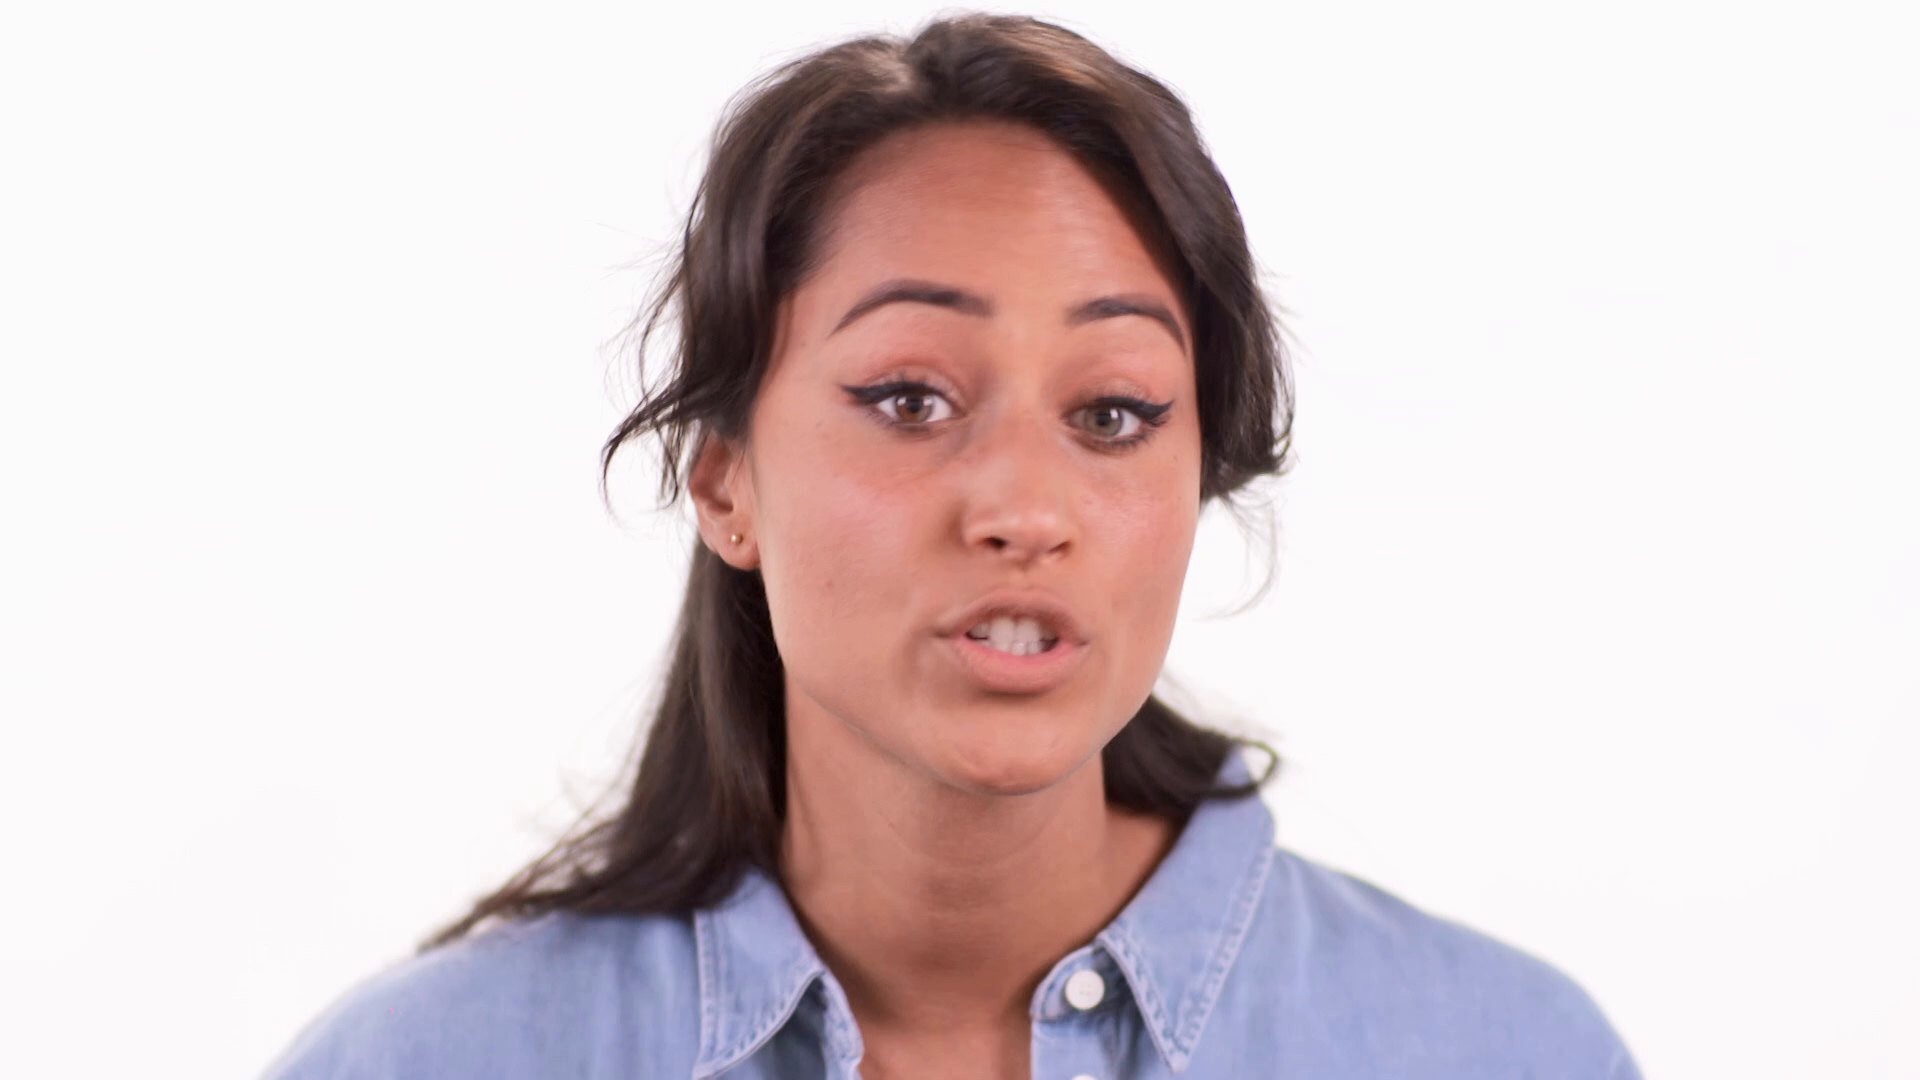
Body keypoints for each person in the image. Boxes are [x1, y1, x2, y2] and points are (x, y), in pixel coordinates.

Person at [261, 13, 1640, 1080]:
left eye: (1112, 413)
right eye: (911, 399)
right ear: (725, 479)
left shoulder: (1504, 1051)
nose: (1024, 510)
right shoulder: (423, 1062)